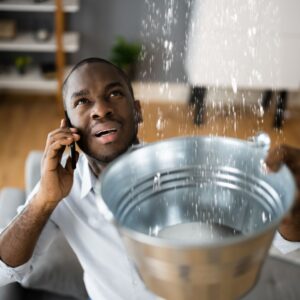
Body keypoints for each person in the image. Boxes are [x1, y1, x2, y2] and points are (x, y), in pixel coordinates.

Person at [0, 57, 299, 300]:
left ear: (138, 111)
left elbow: (289, 245)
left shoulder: (183, 169)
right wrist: (43, 201)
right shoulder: (61, 190)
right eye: (82, 102)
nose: (101, 109)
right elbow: (4, 272)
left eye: (114, 94)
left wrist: (291, 196)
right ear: (67, 124)